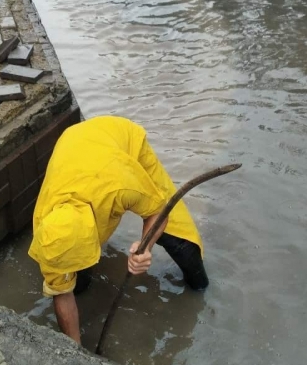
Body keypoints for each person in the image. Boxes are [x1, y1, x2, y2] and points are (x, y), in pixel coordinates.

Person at [28, 115, 209, 343]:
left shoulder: (120, 185)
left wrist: (144, 248)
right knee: (74, 284)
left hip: (120, 141)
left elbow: (157, 211)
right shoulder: (47, 231)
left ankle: (200, 285)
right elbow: (61, 293)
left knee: (178, 240)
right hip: (73, 144)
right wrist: (75, 350)